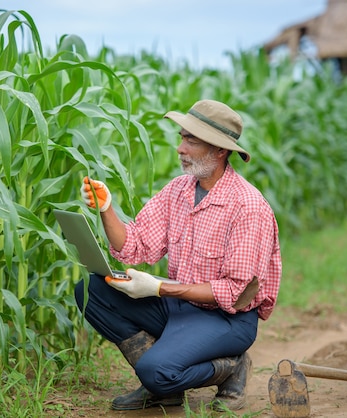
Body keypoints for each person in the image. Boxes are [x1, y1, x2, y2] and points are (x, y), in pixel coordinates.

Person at [75, 99, 282, 411]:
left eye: (191, 140)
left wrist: (158, 288)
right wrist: (106, 208)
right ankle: (166, 388)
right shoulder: (178, 191)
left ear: (220, 150)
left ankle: (231, 367)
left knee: (156, 371)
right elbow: (135, 244)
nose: (180, 148)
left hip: (227, 319)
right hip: (181, 307)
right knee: (92, 292)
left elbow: (235, 292)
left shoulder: (248, 207)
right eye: (182, 137)